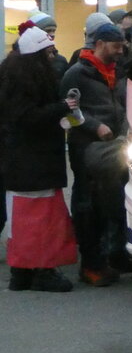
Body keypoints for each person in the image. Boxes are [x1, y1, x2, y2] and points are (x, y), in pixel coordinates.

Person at [60, 23, 132, 286]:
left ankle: (115, 255)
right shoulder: (76, 74)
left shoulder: (118, 72)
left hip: (117, 149)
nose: (120, 51)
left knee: (116, 204)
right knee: (89, 207)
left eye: (122, 46)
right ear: (100, 44)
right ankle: (91, 264)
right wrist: (95, 126)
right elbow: (67, 109)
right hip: (88, 151)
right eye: (115, 47)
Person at [0, 26, 79, 292]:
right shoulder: (29, 81)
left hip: (20, 164)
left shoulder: (12, 77)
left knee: (21, 224)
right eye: (49, 51)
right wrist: (62, 108)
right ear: (37, 55)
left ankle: (21, 273)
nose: (53, 55)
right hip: (36, 163)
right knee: (43, 224)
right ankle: (43, 271)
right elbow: (28, 118)